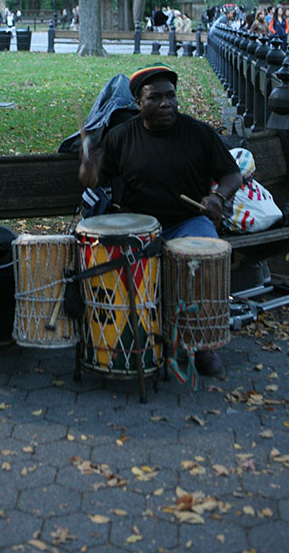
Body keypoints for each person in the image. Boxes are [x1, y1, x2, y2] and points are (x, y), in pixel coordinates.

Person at [79, 65, 242, 377]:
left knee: (204, 253)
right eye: (156, 98)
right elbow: (94, 179)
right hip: (138, 229)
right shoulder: (120, 137)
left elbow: (231, 174)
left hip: (186, 222)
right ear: (139, 103)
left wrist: (218, 198)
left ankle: (201, 344)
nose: (166, 103)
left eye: (171, 96)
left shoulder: (199, 134)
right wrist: (88, 171)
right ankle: (134, 339)